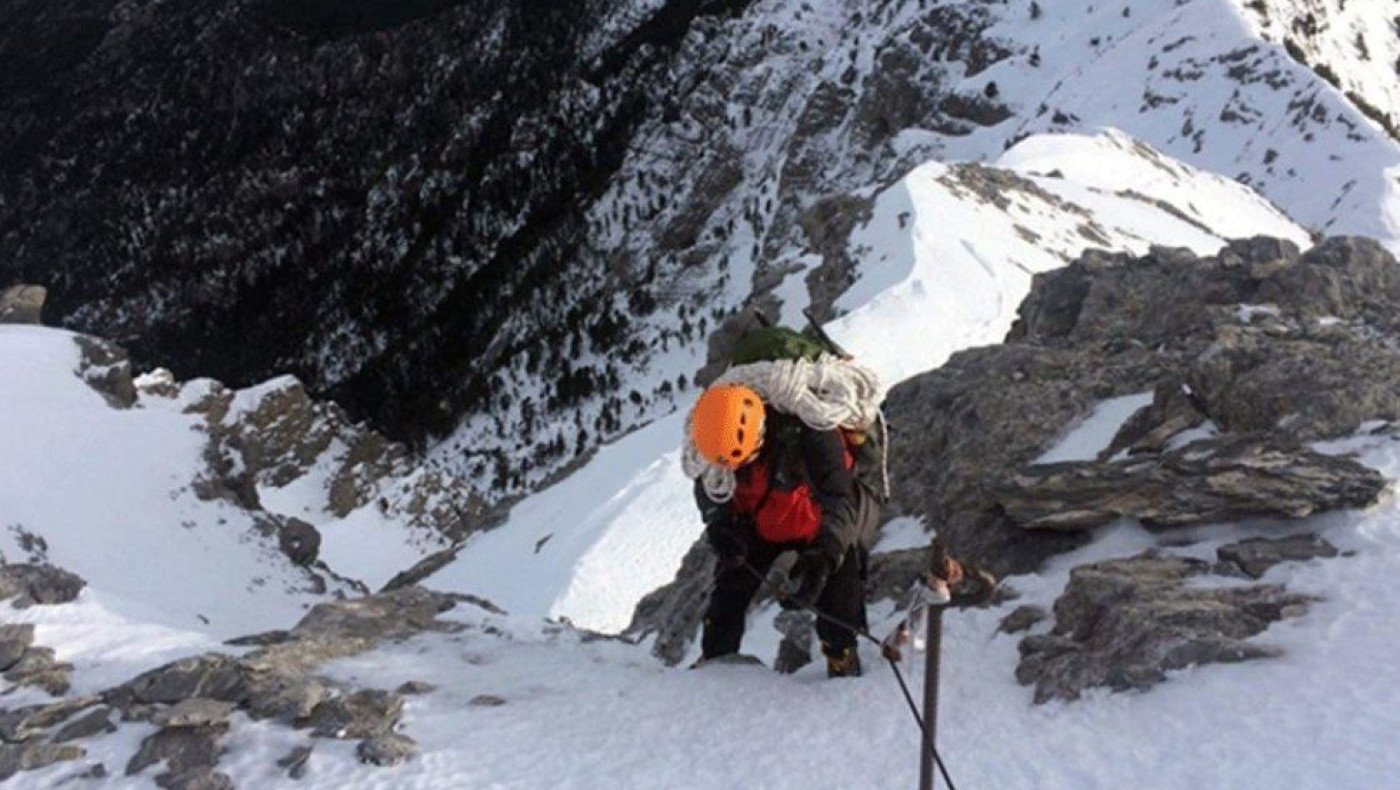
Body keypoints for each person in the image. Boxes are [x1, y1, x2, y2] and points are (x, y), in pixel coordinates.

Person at [688, 381, 883, 677]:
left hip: (818, 525)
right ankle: (716, 659)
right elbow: (708, 486)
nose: (736, 469)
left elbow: (841, 501)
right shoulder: (715, 441)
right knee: (729, 590)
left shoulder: (813, 432)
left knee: (839, 588)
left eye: (746, 458)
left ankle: (841, 653)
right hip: (762, 523)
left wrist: (825, 556)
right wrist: (719, 522)